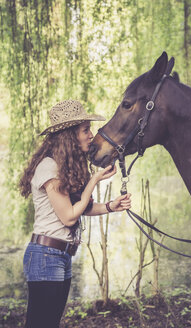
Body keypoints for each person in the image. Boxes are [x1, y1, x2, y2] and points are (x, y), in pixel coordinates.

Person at [19, 99, 131, 328]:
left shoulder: (61, 167)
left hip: (61, 255)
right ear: (70, 136)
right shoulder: (48, 168)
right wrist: (95, 179)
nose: (91, 135)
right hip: (45, 256)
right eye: (85, 130)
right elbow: (69, 216)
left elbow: (83, 207)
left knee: (50, 323)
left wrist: (111, 206)